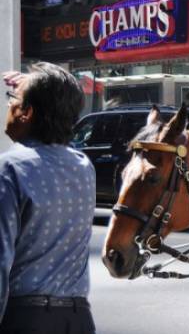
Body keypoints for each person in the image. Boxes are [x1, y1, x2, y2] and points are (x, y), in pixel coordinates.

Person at [0, 62, 96, 334]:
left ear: (27, 113)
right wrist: (44, 89)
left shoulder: (10, 169)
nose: (9, 106)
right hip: (77, 320)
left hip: (25, 320)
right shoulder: (82, 166)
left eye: (13, 100)